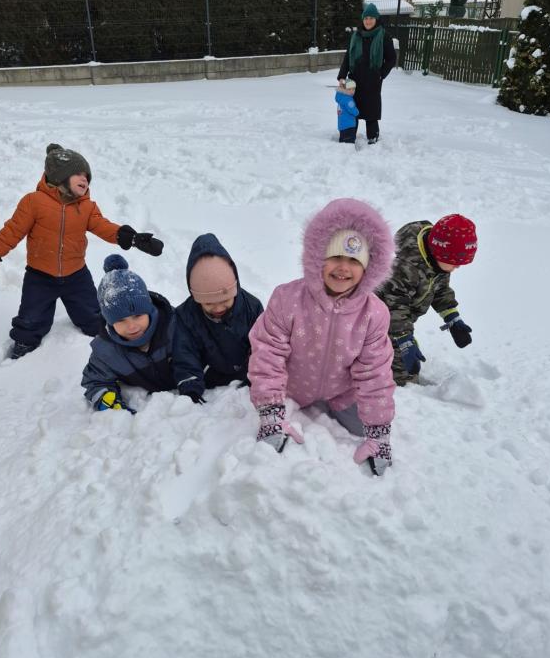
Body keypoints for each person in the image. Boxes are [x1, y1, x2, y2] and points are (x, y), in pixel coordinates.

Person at [248, 198, 396, 476]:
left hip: (342, 392)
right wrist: (270, 413)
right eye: (335, 257)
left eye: (354, 260)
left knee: (361, 428)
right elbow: (268, 356)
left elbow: (375, 373)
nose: (343, 268)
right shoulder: (287, 299)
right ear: (317, 257)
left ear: (368, 268)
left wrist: (379, 433)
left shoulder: (374, 313)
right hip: (291, 388)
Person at [0, 143, 164, 360]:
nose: (85, 179)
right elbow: (13, 230)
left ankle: (105, 338)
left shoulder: (86, 207)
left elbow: (103, 226)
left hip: (76, 274)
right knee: (31, 317)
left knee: (93, 316)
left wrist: (131, 238)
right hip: (39, 276)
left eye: (87, 176)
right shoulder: (34, 202)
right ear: (60, 176)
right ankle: (24, 343)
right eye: (78, 174)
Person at [377, 214, 478, 386]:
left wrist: (453, 318)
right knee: (401, 365)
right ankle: (399, 390)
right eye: (454, 262)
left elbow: (440, 290)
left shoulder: (439, 264)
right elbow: (394, 306)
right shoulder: (405, 267)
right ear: (439, 252)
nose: (458, 266)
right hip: (378, 318)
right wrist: (404, 339)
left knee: (404, 357)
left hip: (401, 320)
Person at [173, 233, 263, 404]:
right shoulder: (185, 316)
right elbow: (185, 354)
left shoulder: (252, 307)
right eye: (208, 303)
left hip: (246, 375)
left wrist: (258, 376)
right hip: (210, 378)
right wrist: (190, 386)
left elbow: (262, 346)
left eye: (225, 300)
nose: (218, 308)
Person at [81, 254, 175, 412]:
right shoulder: (106, 351)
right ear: (110, 322)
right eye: (120, 320)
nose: (132, 327)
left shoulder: (174, 326)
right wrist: (107, 400)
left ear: (149, 310)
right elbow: (95, 381)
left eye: (137, 316)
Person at [337, 3, 396, 145]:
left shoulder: (384, 36)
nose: (368, 21)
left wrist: (381, 74)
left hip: (372, 79)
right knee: (353, 109)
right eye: (366, 18)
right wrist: (342, 75)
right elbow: (348, 57)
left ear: (376, 19)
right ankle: (350, 136)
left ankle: (372, 137)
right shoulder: (356, 35)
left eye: (371, 18)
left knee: (371, 111)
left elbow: (391, 59)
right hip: (354, 79)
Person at [335, 80, 359, 144]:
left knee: (343, 142)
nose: (352, 91)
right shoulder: (348, 100)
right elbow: (353, 110)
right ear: (344, 89)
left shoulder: (340, 96)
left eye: (353, 89)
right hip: (349, 125)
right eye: (349, 89)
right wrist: (357, 112)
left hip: (342, 125)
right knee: (349, 144)